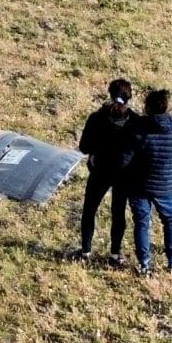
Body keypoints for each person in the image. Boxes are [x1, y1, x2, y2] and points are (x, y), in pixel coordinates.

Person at [75, 78, 136, 262]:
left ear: (110, 94)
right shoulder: (135, 121)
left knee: (89, 210)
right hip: (124, 173)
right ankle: (115, 254)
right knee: (118, 213)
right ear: (129, 97)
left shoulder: (96, 117)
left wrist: (96, 151)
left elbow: (83, 147)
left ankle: (85, 251)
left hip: (99, 170)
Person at [128, 89, 172, 275]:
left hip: (140, 186)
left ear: (147, 107)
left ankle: (144, 264)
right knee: (171, 223)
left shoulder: (139, 130)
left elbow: (127, 160)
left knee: (142, 223)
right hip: (166, 187)